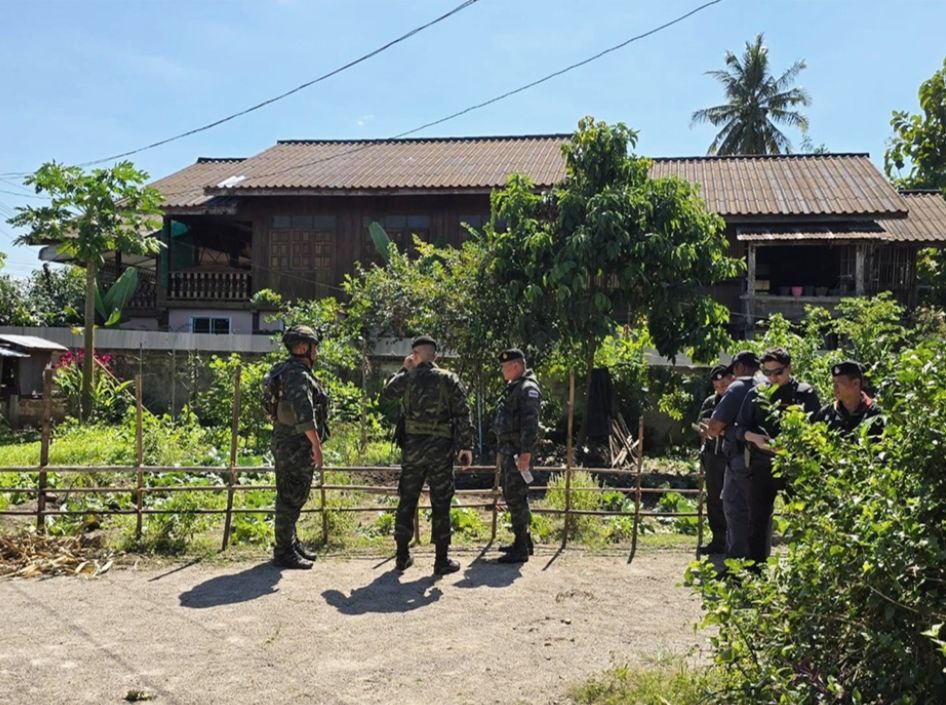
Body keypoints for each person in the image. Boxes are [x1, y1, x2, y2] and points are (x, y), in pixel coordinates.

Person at [381, 335, 474, 575]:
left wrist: (404, 370)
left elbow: (386, 396)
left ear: (414, 355)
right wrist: (466, 446)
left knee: (407, 499)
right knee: (441, 502)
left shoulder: (406, 378)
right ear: (436, 356)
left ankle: (402, 556)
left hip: (413, 450)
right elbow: (463, 413)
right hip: (440, 450)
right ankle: (441, 560)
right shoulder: (449, 379)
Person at [737, 347, 820, 565]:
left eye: (778, 372)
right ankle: (755, 570)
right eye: (767, 372)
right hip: (762, 466)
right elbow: (739, 428)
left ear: (790, 368)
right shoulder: (756, 393)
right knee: (758, 521)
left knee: (802, 519)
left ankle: (805, 567)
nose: (773, 378)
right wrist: (753, 437)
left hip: (795, 467)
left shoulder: (804, 393)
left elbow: (818, 430)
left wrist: (794, 446)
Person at [264, 325, 329, 570]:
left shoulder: (286, 370)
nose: (317, 352)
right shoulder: (297, 375)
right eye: (315, 347)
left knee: (293, 495)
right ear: (304, 348)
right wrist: (316, 445)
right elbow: (304, 414)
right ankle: (283, 551)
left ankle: (290, 544)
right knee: (290, 498)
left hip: (288, 442)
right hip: (296, 445)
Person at [705, 350, 762, 561]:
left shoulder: (738, 387)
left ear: (738, 368)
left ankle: (736, 563)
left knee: (735, 508)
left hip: (740, 458)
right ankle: (757, 561)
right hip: (766, 459)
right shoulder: (769, 384)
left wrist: (718, 429)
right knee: (759, 510)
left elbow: (713, 426)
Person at [492, 348, 542, 564]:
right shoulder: (516, 388)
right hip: (511, 450)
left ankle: (521, 547)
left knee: (515, 496)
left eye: (505, 367)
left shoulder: (527, 389)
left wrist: (525, 453)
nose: (502, 371)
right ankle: (523, 541)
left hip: (518, 452)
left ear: (516, 366)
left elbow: (530, 425)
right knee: (515, 495)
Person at [696, 363, 734, 555]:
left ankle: (734, 540)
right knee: (713, 498)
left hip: (732, 456)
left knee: (734, 499)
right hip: (713, 455)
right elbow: (703, 423)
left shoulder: (737, 398)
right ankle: (718, 539)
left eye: (723, 384)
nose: (720, 388)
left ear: (731, 380)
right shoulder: (710, 402)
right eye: (717, 386)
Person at [813, 360, 884, 437]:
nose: (835, 387)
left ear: (856, 383)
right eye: (833, 382)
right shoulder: (826, 414)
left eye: (840, 382)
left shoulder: (875, 414)